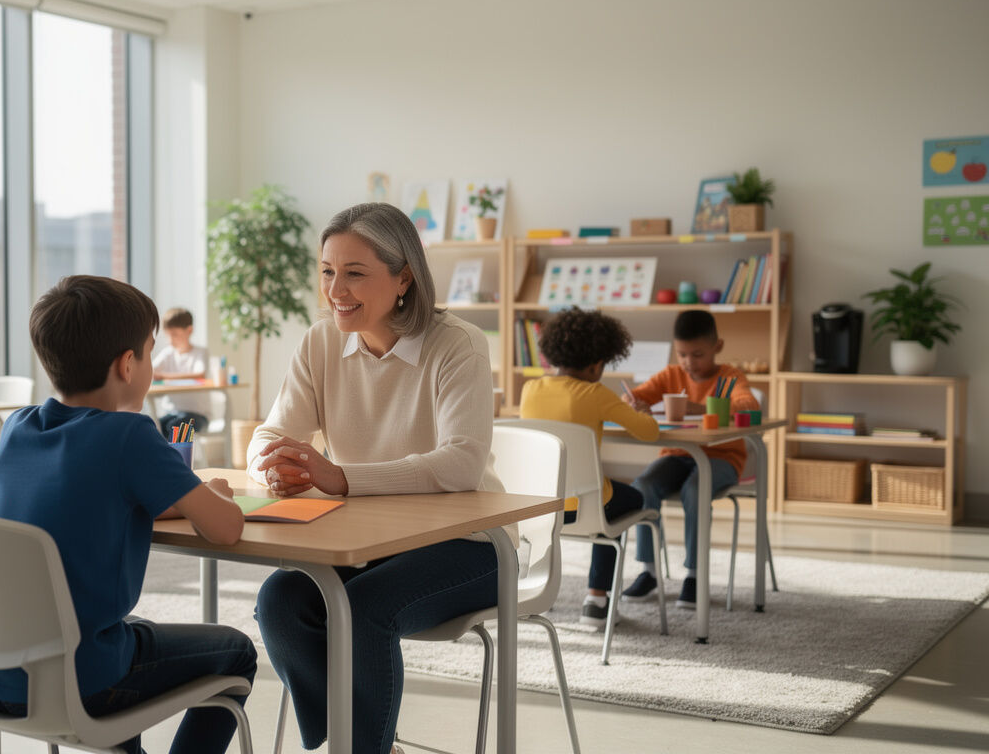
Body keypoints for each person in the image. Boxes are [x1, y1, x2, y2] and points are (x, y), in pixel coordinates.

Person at [0, 275, 255, 754]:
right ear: (128, 364)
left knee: (122, 637)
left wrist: (175, 494)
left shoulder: (17, 426)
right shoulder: (129, 436)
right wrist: (210, 492)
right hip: (77, 682)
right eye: (150, 353)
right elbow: (226, 528)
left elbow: (88, 492)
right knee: (236, 651)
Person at [247, 202, 502, 754]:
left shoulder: (457, 344)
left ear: (404, 277)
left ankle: (362, 746)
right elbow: (270, 433)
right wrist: (272, 467)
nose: (335, 290)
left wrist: (340, 478)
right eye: (327, 271)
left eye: (355, 273)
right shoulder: (320, 342)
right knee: (281, 600)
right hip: (369, 543)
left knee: (363, 610)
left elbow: (461, 462)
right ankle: (355, 743)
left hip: (471, 545)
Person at [518, 308, 658, 627]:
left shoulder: (530, 389)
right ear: (596, 364)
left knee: (601, 502)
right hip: (584, 508)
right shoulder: (595, 393)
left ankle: (536, 588)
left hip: (541, 508)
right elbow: (648, 432)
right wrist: (641, 412)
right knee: (628, 501)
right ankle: (596, 599)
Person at [619, 309, 759, 607]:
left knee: (695, 490)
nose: (688, 363)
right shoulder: (671, 375)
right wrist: (632, 403)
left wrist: (703, 408)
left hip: (722, 459)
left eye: (697, 355)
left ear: (717, 347)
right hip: (678, 455)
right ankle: (649, 571)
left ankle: (695, 575)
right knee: (643, 486)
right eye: (682, 354)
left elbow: (748, 405)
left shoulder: (731, 376)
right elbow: (636, 396)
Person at [152, 307, 210, 439]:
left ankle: (178, 453)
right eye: (168, 335)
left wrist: (164, 376)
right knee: (152, 427)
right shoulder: (167, 353)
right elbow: (152, 371)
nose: (170, 340)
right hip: (171, 412)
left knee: (177, 427)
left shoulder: (200, 353)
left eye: (174, 334)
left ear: (189, 330)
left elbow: (200, 375)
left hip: (197, 415)